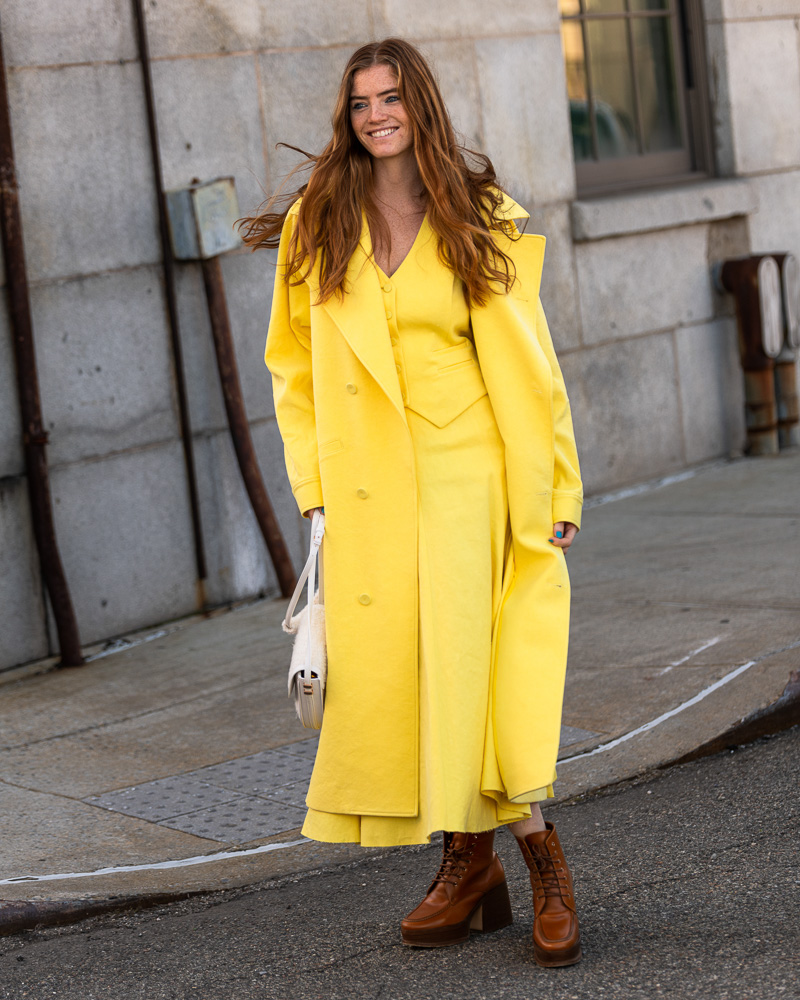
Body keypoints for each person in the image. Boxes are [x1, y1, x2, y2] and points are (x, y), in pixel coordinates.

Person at [241, 37, 583, 967]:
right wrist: (314, 494)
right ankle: (466, 864)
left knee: (480, 679)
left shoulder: (478, 216)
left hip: (472, 478)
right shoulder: (323, 220)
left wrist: (554, 484)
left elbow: (532, 364)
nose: (376, 114)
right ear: (347, 119)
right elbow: (293, 370)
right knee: (406, 679)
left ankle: (544, 862)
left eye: (390, 97)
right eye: (360, 104)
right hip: (367, 490)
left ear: (418, 104)